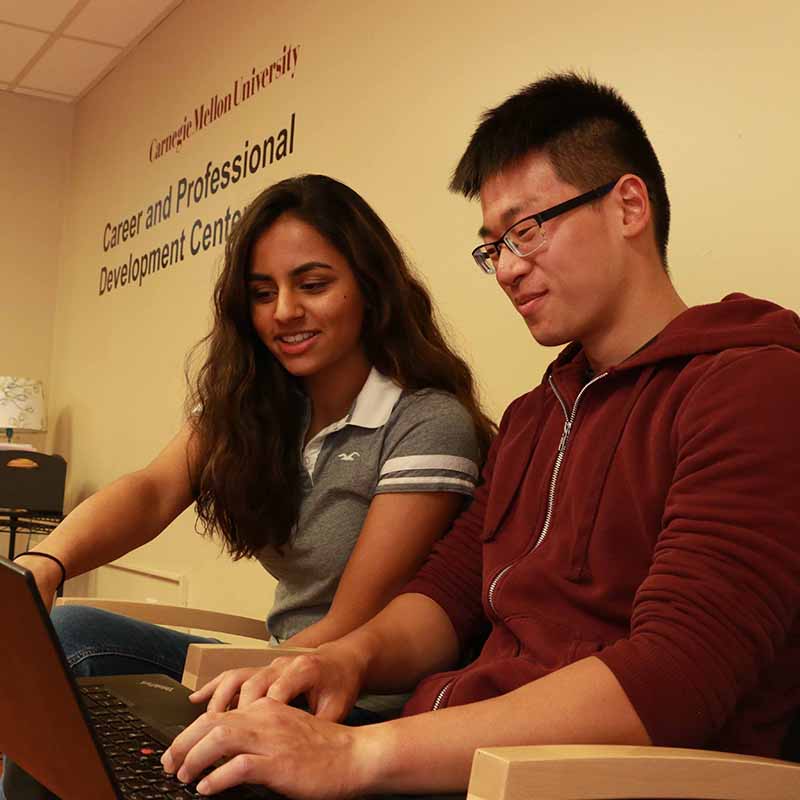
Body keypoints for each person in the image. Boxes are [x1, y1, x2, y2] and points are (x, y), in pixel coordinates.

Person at [157, 73, 800, 798]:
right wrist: (348, 658)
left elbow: (679, 675)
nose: (508, 268)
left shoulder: (753, 387)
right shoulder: (534, 415)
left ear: (627, 205)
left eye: (527, 230)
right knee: (165, 751)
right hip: (455, 755)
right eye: (492, 246)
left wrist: (357, 756)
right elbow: (448, 596)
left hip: (580, 782)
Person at [10, 174, 495, 711]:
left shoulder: (427, 421)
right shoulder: (254, 407)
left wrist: (237, 682)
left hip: (357, 702)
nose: (283, 310)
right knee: (58, 630)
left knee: (78, 650)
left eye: (312, 285)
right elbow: (151, 491)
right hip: (276, 669)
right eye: (263, 293)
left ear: (370, 287)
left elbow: (349, 625)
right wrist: (45, 564)